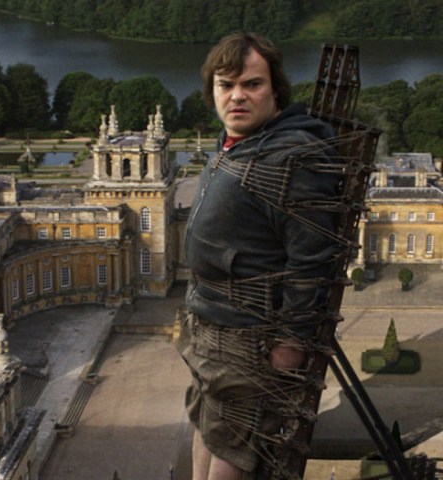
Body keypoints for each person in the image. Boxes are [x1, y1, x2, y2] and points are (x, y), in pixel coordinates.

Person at [178, 33, 344, 480]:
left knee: (235, 444)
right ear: (212, 91)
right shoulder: (241, 143)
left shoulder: (291, 156)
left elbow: (312, 261)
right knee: (206, 424)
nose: (237, 96)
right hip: (211, 326)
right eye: (226, 85)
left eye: (252, 84)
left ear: (275, 91)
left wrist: (291, 342)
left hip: (248, 336)